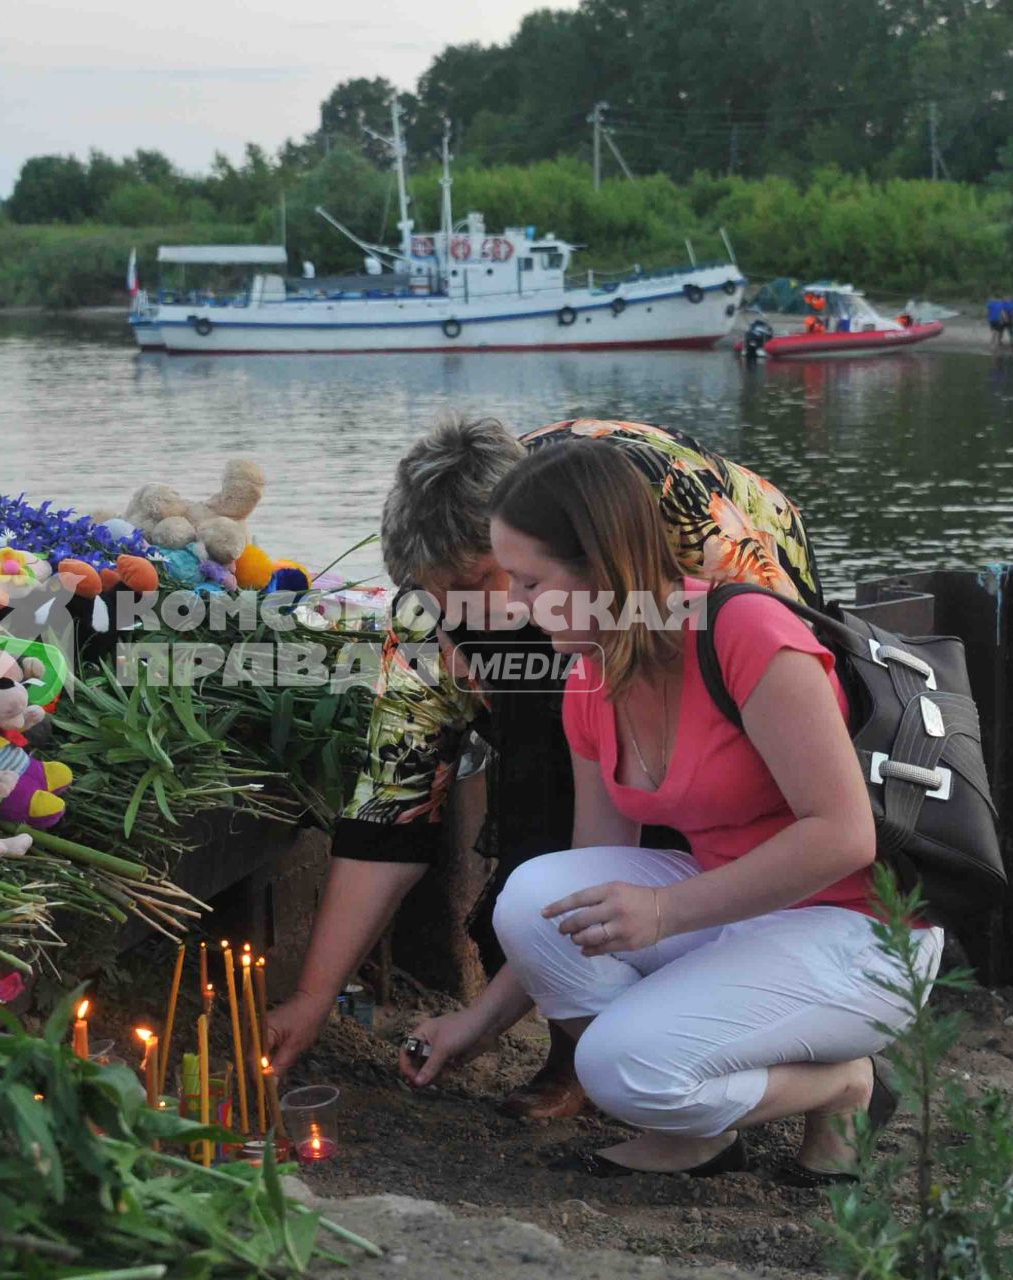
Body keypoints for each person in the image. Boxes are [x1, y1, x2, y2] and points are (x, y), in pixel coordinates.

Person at [399, 441, 943, 1182]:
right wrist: (479, 1022)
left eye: (527, 581)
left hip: (861, 935)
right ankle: (693, 1125)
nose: (512, 606)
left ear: (601, 566)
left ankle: (846, 1083)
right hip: (740, 912)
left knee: (618, 1066)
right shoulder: (590, 675)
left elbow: (844, 836)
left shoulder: (746, 631)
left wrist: (664, 910)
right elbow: (578, 887)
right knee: (536, 895)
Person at [265, 417, 822, 1120]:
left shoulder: (689, 532)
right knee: (534, 777)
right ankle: (578, 1046)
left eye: (477, 582)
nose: (465, 614)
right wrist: (314, 998)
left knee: (698, 791)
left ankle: (741, 1013)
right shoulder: (439, 609)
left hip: (728, 584)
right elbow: (391, 808)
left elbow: (795, 696)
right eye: (438, 594)